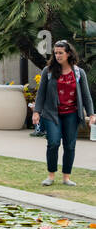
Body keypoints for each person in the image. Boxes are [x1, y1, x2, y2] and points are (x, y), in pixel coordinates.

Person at [33, 39, 95, 187]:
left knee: (70, 145)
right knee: (53, 143)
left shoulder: (79, 73)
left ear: (68, 54)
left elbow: (86, 95)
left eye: (61, 53)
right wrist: (37, 112)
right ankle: (51, 175)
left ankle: (66, 177)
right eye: (55, 53)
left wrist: (92, 114)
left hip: (72, 114)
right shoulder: (47, 71)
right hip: (52, 114)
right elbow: (41, 94)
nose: (58, 55)